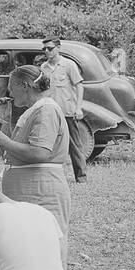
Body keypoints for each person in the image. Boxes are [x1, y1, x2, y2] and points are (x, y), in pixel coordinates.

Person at [0, 66, 72, 263]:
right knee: (28, 250)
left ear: (24, 85)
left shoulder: (46, 110)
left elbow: (39, 152)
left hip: (41, 192)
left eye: (11, 86)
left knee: (46, 247)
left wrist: (3, 141)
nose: (9, 92)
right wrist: (5, 119)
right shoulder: (35, 110)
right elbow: (15, 151)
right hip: (30, 192)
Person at [39, 35, 87, 183]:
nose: (47, 51)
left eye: (50, 48)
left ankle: (81, 177)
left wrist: (78, 108)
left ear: (58, 48)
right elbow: (42, 90)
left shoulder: (69, 65)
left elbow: (79, 85)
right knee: (49, 146)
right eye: (44, 49)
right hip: (50, 113)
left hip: (67, 111)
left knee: (75, 146)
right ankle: (51, 176)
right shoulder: (43, 68)